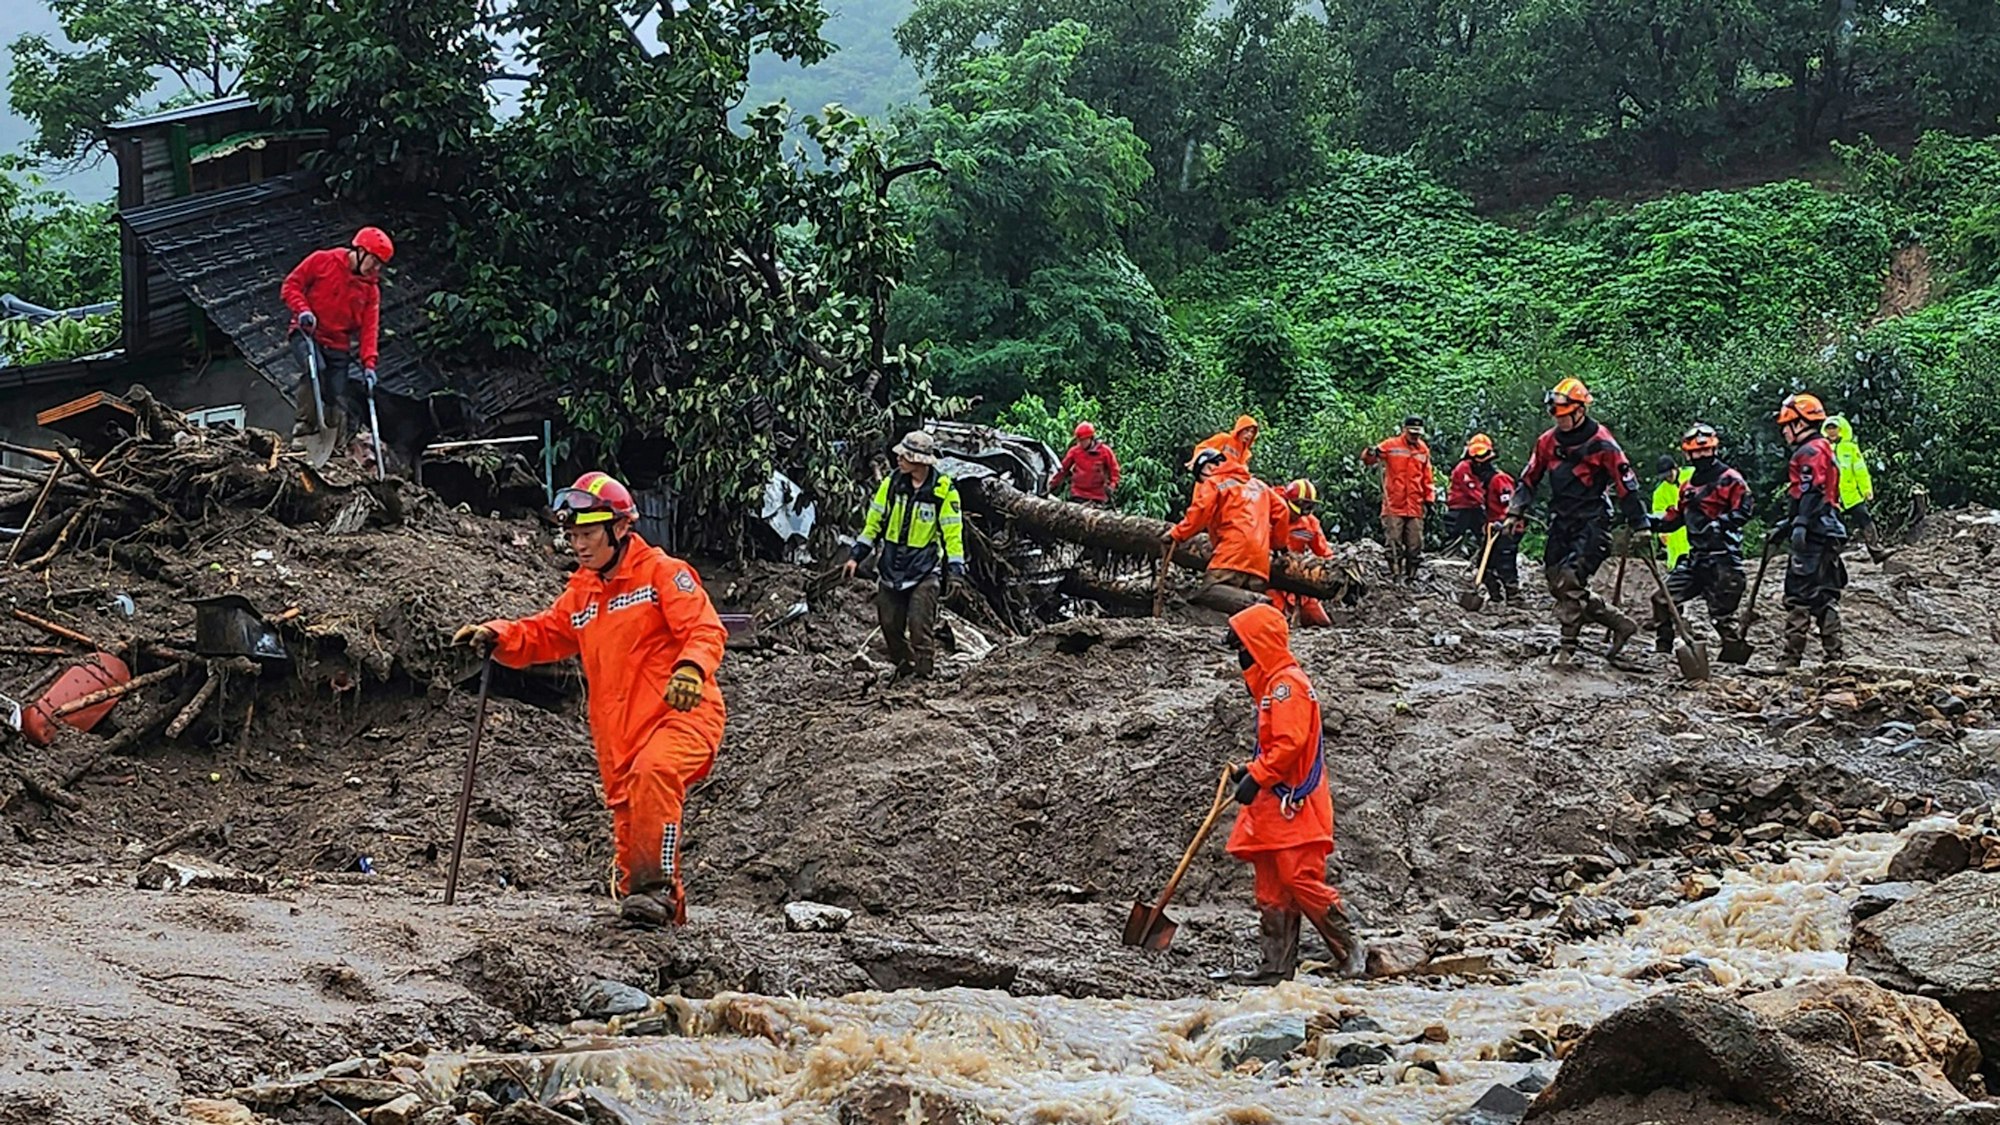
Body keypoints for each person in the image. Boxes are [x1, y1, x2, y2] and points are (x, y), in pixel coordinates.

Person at [453, 472, 727, 928]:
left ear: (619, 529)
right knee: (628, 822)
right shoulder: (583, 590)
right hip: (618, 732)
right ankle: (658, 928)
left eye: (587, 535)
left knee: (654, 774)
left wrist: (691, 668)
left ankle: (654, 893)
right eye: (572, 535)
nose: (578, 545)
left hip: (680, 715)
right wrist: (498, 634)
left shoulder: (663, 573)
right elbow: (546, 633)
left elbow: (704, 628)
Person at [1222, 603, 1365, 983]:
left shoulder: (1287, 686)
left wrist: (1259, 774)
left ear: (1259, 644)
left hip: (1293, 801)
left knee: (1299, 877)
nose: (1240, 655)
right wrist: (1250, 770)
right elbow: (1278, 746)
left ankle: (1350, 948)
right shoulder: (1274, 686)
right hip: (1276, 800)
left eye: (1243, 645)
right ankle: (1275, 967)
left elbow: (1290, 744)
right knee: (1270, 884)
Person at [1505, 378, 1648, 666]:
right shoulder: (1547, 442)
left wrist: (1641, 523)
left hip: (1593, 518)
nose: (1559, 420)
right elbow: (1529, 478)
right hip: (1561, 518)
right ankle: (1618, 622)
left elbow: (1626, 484)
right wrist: (1515, 510)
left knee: (1571, 578)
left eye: (1563, 414)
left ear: (1580, 411)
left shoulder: (1603, 444)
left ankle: (1567, 648)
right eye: (1555, 415)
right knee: (1556, 582)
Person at [843, 430, 966, 681]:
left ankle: (923, 679)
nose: (898, 459)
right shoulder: (891, 484)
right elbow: (873, 524)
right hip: (890, 567)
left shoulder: (943, 490)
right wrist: (856, 555)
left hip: (924, 569)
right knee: (889, 625)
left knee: (920, 628)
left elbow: (953, 535)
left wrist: (955, 573)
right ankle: (905, 666)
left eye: (905, 456)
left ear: (920, 460)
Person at [281, 226, 393, 442]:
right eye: (375, 261)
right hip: (308, 332)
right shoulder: (323, 260)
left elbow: (370, 329)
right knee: (315, 369)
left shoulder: (370, 290)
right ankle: (304, 426)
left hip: (338, 344)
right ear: (361, 252)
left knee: (338, 395)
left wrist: (369, 365)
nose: (376, 268)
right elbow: (291, 285)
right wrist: (303, 309)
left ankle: (334, 443)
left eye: (380, 264)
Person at [1647, 424, 1752, 653]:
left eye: (1706, 451)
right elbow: (1675, 518)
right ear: (1688, 454)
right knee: (1662, 599)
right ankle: (1663, 648)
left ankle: (1734, 654)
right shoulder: (1688, 486)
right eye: (1697, 453)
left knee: (1721, 617)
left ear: (1714, 450)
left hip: (1724, 559)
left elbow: (1744, 511)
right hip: (1696, 559)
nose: (1702, 456)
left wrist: (1720, 524)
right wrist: (1647, 522)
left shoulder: (1731, 479)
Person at [1772, 394, 1848, 667]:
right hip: (1830, 529)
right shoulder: (1823, 447)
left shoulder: (1808, 451)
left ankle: (1790, 660)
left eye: (1787, 424)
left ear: (1800, 424)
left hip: (1816, 530)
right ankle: (1834, 656)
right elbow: (1808, 494)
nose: (1783, 430)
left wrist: (1801, 524)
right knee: (1824, 595)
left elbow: (1811, 490)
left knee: (1798, 594)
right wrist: (1788, 524)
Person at [1167, 448, 1286, 593]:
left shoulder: (1215, 483)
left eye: (1201, 478)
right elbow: (1282, 510)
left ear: (1209, 467)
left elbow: (1201, 510)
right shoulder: (1260, 486)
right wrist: (1274, 543)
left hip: (1231, 556)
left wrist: (1177, 534)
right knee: (1250, 609)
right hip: (1259, 564)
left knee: (1206, 596)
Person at [1361, 415, 1436, 583]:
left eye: (1418, 433)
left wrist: (1429, 499)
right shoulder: (1391, 445)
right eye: (1412, 433)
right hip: (1394, 503)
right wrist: (1370, 452)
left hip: (1415, 504)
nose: (1415, 436)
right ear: (1404, 430)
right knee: (1394, 542)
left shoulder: (1423, 449)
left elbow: (1427, 477)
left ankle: (1411, 576)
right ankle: (1396, 575)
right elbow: (1369, 460)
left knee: (1415, 543)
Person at [1823, 415, 1892, 563]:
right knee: (1833, 528)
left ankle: (1876, 551)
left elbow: (1860, 470)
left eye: (1834, 428)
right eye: (1828, 428)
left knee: (1865, 520)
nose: (1832, 432)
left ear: (1841, 429)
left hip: (1852, 494)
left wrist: (1867, 489)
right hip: (1832, 497)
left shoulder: (1851, 448)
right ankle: (1831, 559)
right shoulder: (1823, 448)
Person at [1273, 479, 1334, 627]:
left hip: (1297, 577)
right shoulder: (1270, 514)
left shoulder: (1310, 523)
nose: (1304, 510)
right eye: (1303, 505)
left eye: (1309, 505)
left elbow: (1324, 552)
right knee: (1276, 616)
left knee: (1321, 622)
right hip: (1271, 578)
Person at [1468, 438, 1520, 603]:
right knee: (1484, 563)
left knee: (1505, 562)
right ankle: (1495, 596)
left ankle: (1515, 596)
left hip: (1508, 527)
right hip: (1494, 527)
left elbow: (1510, 504)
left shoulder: (1499, 479)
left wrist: (1503, 521)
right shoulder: (1485, 481)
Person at [1049, 421, 1121, 507]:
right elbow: (1063, 469)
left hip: (1097, 496)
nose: (1081, 443)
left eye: (1083, 440)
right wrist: (1052, 484)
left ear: (1091, 438)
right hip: (1078, 494)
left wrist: (1112, 486)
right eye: (1079, 440)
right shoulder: (1074, 451)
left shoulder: (1105, 451)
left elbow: (1114, 470)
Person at [1445, 436, 1491, 558]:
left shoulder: (1482, 468)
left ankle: (1485, 557)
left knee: (1483, 533)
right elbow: (1470, 489)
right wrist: (1485, 502)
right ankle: (1450, 556)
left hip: (1474, 506)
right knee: (1455, 534)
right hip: (1460, 506)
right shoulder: (1464, 467)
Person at [1650, 454, 1692, 569]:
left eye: (1669, 474)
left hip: (1697, 537)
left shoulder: (1692, 475)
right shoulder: (1660, 493)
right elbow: (1658, 514)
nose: (1668, 478)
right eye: (1665, 477)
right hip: (1675, 543)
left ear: (1676, 468)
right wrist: (1661, 534)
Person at [1190, 415, 1261, 470]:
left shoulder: (1245, 453)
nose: (1249, 434)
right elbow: (1202, 448)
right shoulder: (1224, 438)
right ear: (1240, 429)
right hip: (1211, 478)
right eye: (1246, 430)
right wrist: (1195, 461)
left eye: (1252, 432)